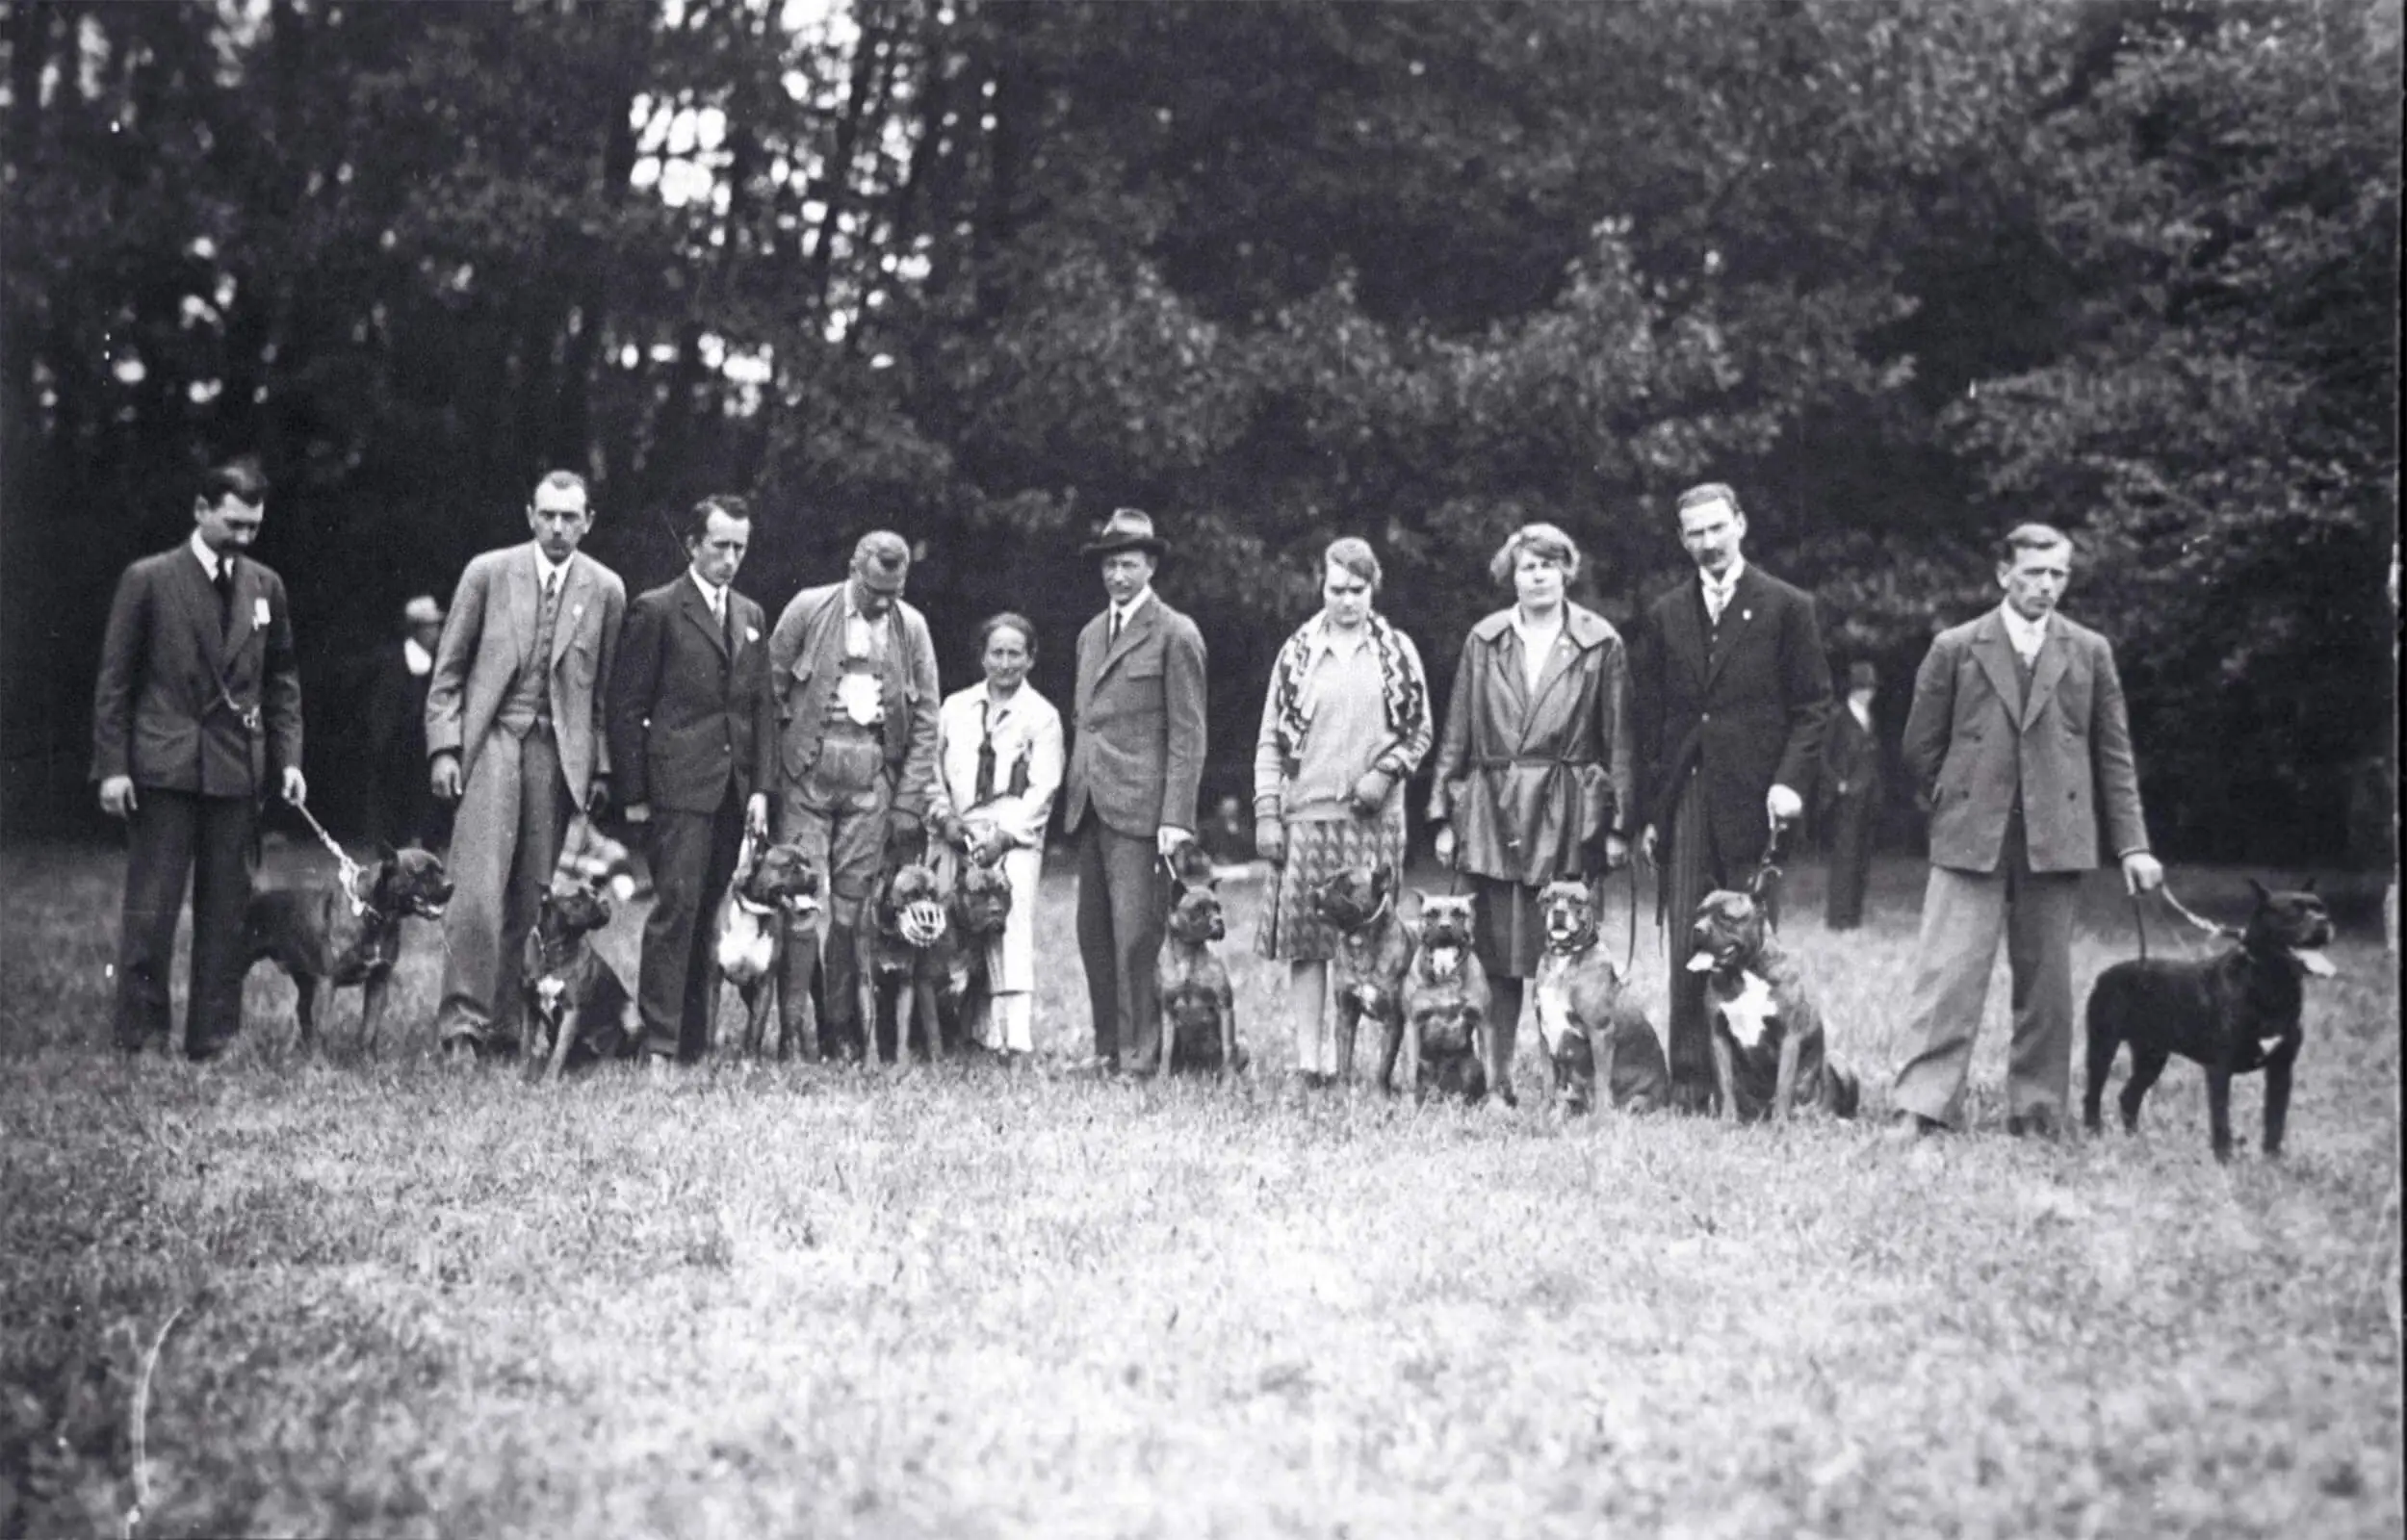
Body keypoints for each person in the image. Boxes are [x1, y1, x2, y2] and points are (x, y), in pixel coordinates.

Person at [1887, 525, 2162, 1141]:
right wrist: (1961, 796)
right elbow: (1918, 747)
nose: (2045, 585)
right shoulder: (1957, 647)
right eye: (2033, 572)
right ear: (2002, 574)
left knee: (2047, 985)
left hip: (2055, 839)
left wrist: (2134, 844)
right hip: (1971, 838)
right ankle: (1921, 1105)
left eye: (2058, 574)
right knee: (1948, 976)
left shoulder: (2089, 651)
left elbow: (2113, 756)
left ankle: (2037, 1110)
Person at [91, 459, 306, 1060]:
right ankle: (142, 1037)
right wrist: (113, 767)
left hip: (237, 771)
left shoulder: (266, 587)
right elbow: (115, 681)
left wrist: (288, 759)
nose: (242, 538)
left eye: (253, 529)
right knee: (152, 911)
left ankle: (213, 1036)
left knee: (227, 913)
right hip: (163, 770)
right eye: (232, 524)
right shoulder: (149, 579)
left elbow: (282, 680)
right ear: (201, 510)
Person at [1632, 481, 1832, 1111]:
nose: (1707, 543)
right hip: (1688, 795)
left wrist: (1789, 783)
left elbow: (1813, 708)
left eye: (1717, 528)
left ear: (1740, 525)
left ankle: (1756, 1088)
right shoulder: (1666, 613)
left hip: (1759, 799)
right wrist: (1651, 812)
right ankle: (1692, 1083)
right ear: (1682, 539)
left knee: (1751, 944)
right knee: (1691, 942)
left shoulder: (1786, 606)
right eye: (1695, 533)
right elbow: (1654, 719)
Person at [1427, 523, 1633, 1105]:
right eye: (1526, 566)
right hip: (1491, 815)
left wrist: (1617, 825)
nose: (1537, 575)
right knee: (1495, 959)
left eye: (1548, 564)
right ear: (1509, 575)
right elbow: (1456, 732)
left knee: (1563, 956)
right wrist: (1444, 814)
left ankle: (1566, 1085)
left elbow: (1620, 739)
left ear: (1567, 570)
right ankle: (1496, 1083)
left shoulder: (1600, 642)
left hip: (1569, 815)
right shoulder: (1484, 639)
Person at [425, 470, 627, 1061]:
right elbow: (448, 674)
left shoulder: (605, 590)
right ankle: (463, 1025)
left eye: (571, 517)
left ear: (588, 522)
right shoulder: (488, 573)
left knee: (534, 898)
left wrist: (603, 770)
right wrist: (443, 747)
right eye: (548, 515)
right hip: (490, 740)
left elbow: (603, 695)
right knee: (477, 891)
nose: (558, 527)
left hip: (557, 753)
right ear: (529, 516)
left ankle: (508, 1027)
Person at [1252, 537, 1432, 1088]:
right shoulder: (1297, 652)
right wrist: (1266, 810)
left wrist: (1384, 773)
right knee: (1308, 939)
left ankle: (1381, 1064)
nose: (1347, 601)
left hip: (1374, 820)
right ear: (1321, 588)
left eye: (1358, 590)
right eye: (1337, 590)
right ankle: (1313, 1060)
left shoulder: (1397, 651)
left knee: (1379, 940)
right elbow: (1269, 739)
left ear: (1372, 589)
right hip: (1307, 814)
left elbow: (1420, 731)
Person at [607, 495, 774, 1066]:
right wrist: (634, 797)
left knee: (707, 915)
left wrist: (759, 790)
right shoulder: (655, 610)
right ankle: (658, 1045)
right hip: (676, 791)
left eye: (740, 548)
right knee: (675, 911)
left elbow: (759, 711)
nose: (730, 559)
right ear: (692, 545)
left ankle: (694, 1045)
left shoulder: (751, 615)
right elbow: (625, 708)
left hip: (732, 790)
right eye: (720, 546)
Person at [765, 530, 942, 1061]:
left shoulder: (911, 628)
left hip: (871, 786)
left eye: (894, 591)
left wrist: (909, 800)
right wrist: (772, 780)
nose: (883, 602)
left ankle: (840, 1029)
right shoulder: (806, 609)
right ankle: (792, 1032)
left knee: (849, 914)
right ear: (852, 571)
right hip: (807, 778)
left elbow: (927, 719)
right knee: (800, 908)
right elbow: (768, 694)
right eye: (873, 591)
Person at [1061, 507, 1208, 1074]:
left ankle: (1140, 1056)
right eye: (1109, 565)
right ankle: (1105, 1051)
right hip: (1091, 803)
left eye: (1128, 564)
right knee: (1092, 935)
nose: (1117, 576)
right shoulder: (1090, 634)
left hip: (1144, 811)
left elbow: (1189, 732)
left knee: (1136, 938)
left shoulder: (1175, 633)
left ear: (1150, 566)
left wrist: (1177, 817)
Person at [931, 611, 1064, 1059]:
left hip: (1012, 835)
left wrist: (1006, 837)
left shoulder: (1042, 716)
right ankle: (959, 1030)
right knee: (952, 925)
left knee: (1007, 922)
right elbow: (930, 771)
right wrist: (945, 818)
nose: (1005, 663)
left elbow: (1044, 786)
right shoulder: (955, 708)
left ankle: (1013, 1036)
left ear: (1030, 660)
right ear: (982, 656)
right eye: (997, 653)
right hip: (958, 829)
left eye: (1015, 654)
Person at [364, 595, 453, 852]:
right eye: (430, 626)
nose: (436, 632)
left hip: (424, 758)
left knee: (427, 825)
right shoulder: (392, 662)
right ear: (416, 629)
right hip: (394, 759)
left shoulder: (439, 665)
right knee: (393, 828)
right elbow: (381, 713)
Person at [1817, 659, 1882, 930]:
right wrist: (1837, 785)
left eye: (1871, 688)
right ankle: (1838, 919)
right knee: (1844, 859)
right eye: (1863, 688)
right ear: (1853, 690)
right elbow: (1822, 757)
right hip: (1845, 801)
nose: (1869, 693)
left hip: (1867, 798)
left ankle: (1854, 916)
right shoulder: (1838, 718)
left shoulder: (1870, 720)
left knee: (1861, 858)